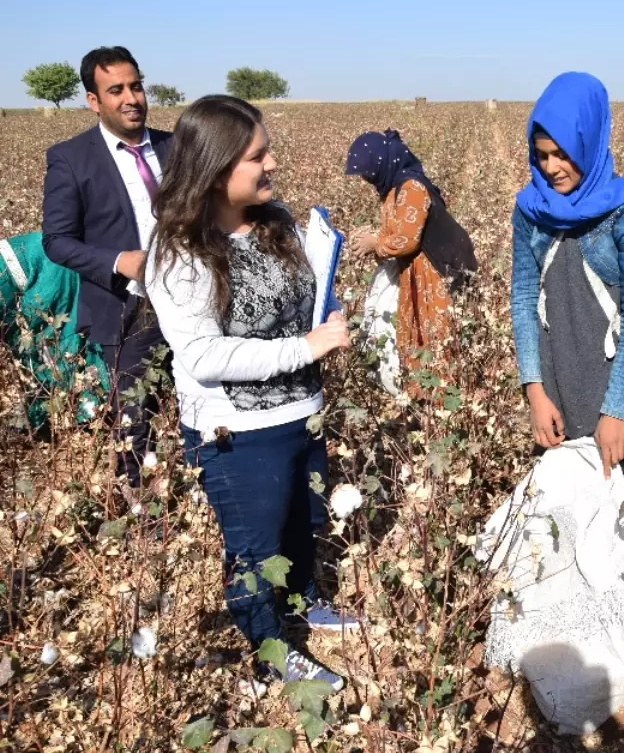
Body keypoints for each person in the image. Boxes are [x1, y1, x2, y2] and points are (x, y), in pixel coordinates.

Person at [144, 95, 359, 691]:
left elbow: (307, 293)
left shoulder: (276, 221)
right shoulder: (177, 252)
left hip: (303, 413)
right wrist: (306, 348)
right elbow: (205, 357)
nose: (271, 167)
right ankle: (269, 653)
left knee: (302, 520)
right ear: (214, 171)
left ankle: (304, 604)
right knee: (254, 548)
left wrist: (328, 313)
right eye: (257, 157)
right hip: (237, 432)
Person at [509, 72, 624, 478]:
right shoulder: (530, 209)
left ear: (589, 142)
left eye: (562, 154)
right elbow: (524, 299)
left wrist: (615, 411)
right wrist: (535, 391)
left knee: (609, 511)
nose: (551, 168)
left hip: (609, 382)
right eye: (542, 155)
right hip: (553, 379)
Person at [41, 46, 170, 491]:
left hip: (190, 299)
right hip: (127, 307)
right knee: (135, 415)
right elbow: (56, 242)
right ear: (93, 101)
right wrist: (120, 261)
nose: (131, 97)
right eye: (115, 89)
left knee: (201, 401)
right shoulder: (71, 158)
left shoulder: (177, 146)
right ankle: (139, 509)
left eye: (135, 85)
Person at [344, 130, 477, 393]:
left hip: (437, 267)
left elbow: (407, 240)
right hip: (418, 268)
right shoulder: (394, 189)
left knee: (436, 333)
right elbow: (398, 230)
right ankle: (421, 391)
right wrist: (373, 238)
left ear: (382, 163)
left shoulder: (412, 188)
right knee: (417, 329)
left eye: (368, 172)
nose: (366, 179)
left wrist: (375, 243)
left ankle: (443, 397)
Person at [1, 232, 109, 430]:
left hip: (47, 270)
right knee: (33, 343)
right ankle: (50, 405)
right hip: (40, 259)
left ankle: (86, 407)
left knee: (54, 338)